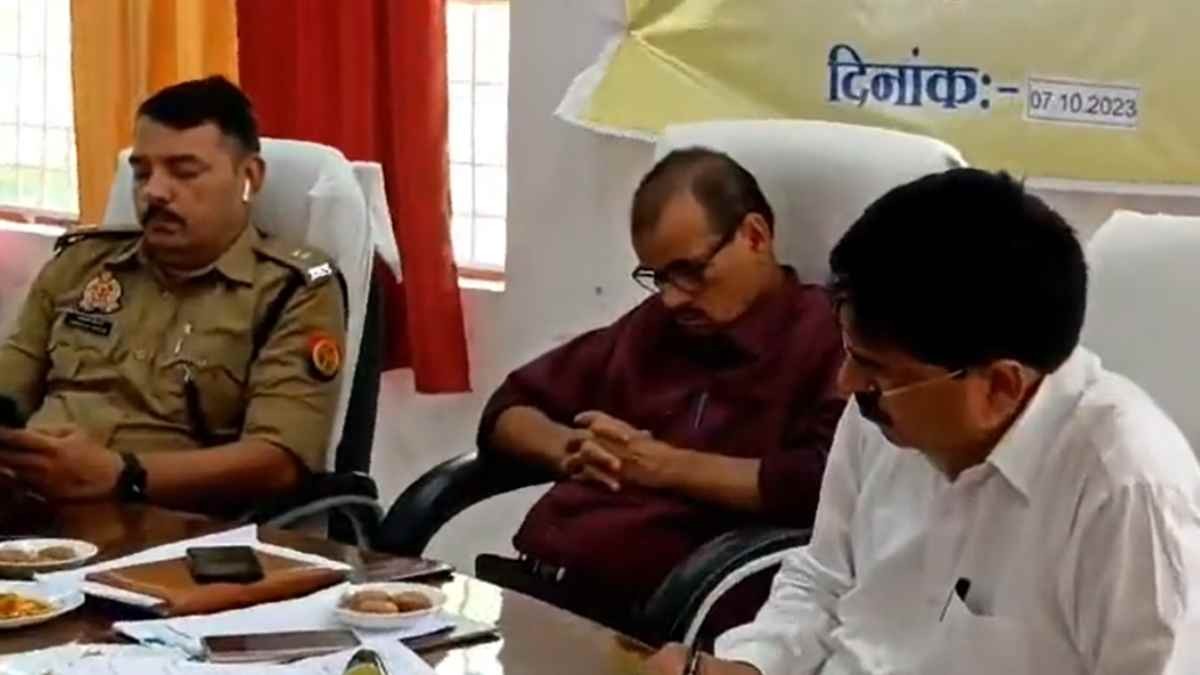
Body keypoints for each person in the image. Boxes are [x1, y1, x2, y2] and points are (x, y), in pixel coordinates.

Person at [647, 168, 1200, 675]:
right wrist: (751, 666)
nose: (846, 384)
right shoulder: (885, 406)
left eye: (873, 368)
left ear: (1000, 387)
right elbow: (824, 579)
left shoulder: (1127, 491)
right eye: (852, 354)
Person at [476, 148, 846, 637]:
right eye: (658, 277)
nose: (672, 298)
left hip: (666, 618)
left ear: (755, 236)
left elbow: (821, 483)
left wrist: (662, 465)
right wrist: (569, 449)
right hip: (541, 588)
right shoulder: (654, 327)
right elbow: (508, 409)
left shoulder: (825, 338)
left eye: (690, 272)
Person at [0, 76, 347, 517]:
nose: (154, 191)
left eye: (184, 172)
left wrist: (121, 474)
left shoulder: (290, 289)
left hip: (162, 524)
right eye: (142, 172)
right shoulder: (81, 263)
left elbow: (279, 461)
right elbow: (10, 387)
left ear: (249, 177)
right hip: (25, 508)